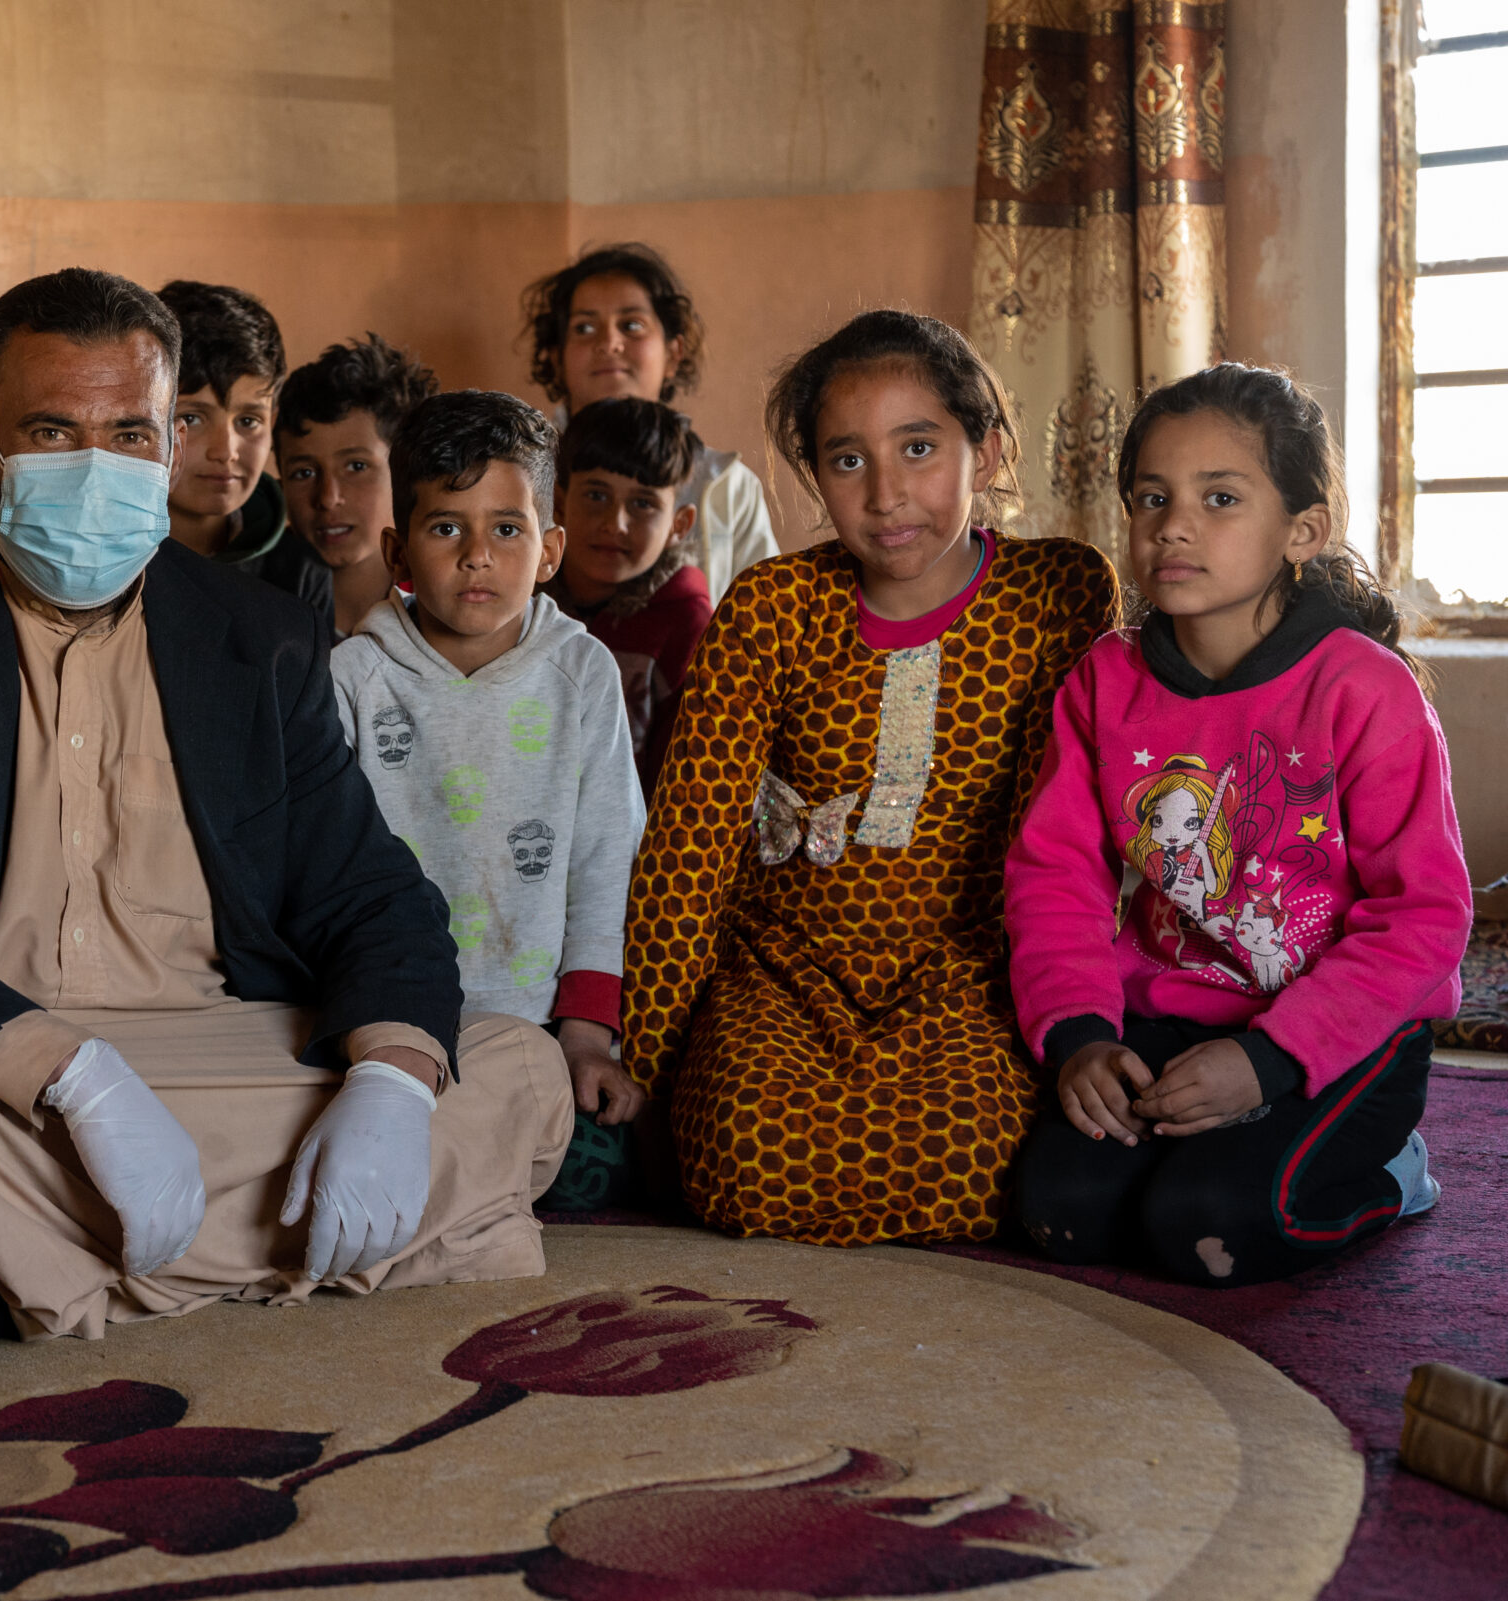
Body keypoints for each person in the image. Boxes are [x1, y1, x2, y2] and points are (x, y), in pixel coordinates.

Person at [0, 268, 571, 1356]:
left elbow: (367, 889)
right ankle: (329, 1245)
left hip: (220, 1042)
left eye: (130, 430)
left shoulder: (255, 637)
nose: (95, 467)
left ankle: (12, 1277)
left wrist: (391, 1083)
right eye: (50, 430)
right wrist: (67, 1073)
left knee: (515, 1068)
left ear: (169, 447)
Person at [622, 310, 1119, 1246]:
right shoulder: (771, 608)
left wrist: (1066, 1017)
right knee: (740, 1154)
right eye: (847, 460)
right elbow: (690, 847)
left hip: (967, 967)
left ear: (991, 451)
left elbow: (1059, 838)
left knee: (982, 1153)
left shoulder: (1060, 593)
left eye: (920, 447)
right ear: (815, 476)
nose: (888, 493)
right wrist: (648, 1058)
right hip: (783, 969)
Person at [1005, 365, 1468, 1286]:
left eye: (1220, 497)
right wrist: (1080, 1036)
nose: (1173, 523)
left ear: (1302, 530)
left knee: (1204, 1231)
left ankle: (1394, 1173)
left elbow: (1425, 917)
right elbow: (1054, 876)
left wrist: (1270, 1060)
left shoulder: (1363, 689)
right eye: (1151, 496)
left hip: (1344, 1036)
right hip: (1169, 1020)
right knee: (1057, 1214)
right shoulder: (1106, 678)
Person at [329, 391, 645, 1212]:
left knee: (593, 1170)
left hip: (535, 1026)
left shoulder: (582, 677)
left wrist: (586, 1034)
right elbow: (326, 867)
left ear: (549, 549)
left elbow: (606, 861)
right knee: (347, 1139)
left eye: (506, 529)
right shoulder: (356, 678)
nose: (477, 555)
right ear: (400, 549)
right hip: (389, 1021)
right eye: (446, 528)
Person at [521, 243, 774, 598]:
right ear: (555, 357)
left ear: (673, 354)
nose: (609, 343)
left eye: (632, 325)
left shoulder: (727, 487)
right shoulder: (516, 472)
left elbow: (764, 620)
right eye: (584, 328)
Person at [545, 396, 716, 799]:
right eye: (596, 495)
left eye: (642, 503)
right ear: (559, 503)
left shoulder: (689, 626)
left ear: (679, 525)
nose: (615, 523)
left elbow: (681, 785)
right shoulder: (520, 601)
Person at [155, 279, 329, 615]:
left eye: (248, 421)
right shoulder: (103, 557)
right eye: (191, 419)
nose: (226, 451)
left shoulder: (298, 572)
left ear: (272, 422)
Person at [275, 334, 438, 637]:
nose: (328, 498)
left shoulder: (445, 599)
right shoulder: (259, 598)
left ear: (408, 471)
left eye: (356, 467)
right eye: (304, 473)